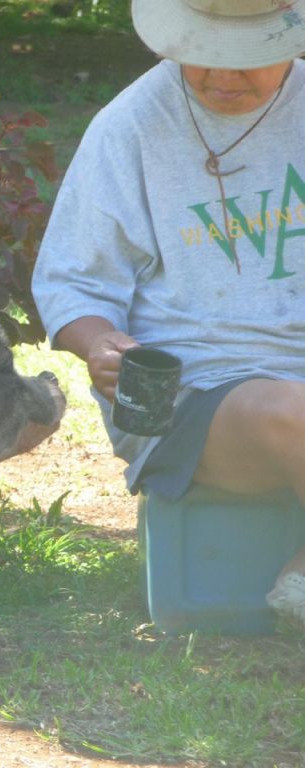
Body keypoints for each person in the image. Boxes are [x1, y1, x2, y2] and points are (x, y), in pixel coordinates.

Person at [31, 0, 305, 619]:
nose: (222, 78)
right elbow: (73, 283)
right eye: (200, 57)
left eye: (246, 60)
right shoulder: (129, 125)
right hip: (191, 401)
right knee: (291, 408)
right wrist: (100, 343)